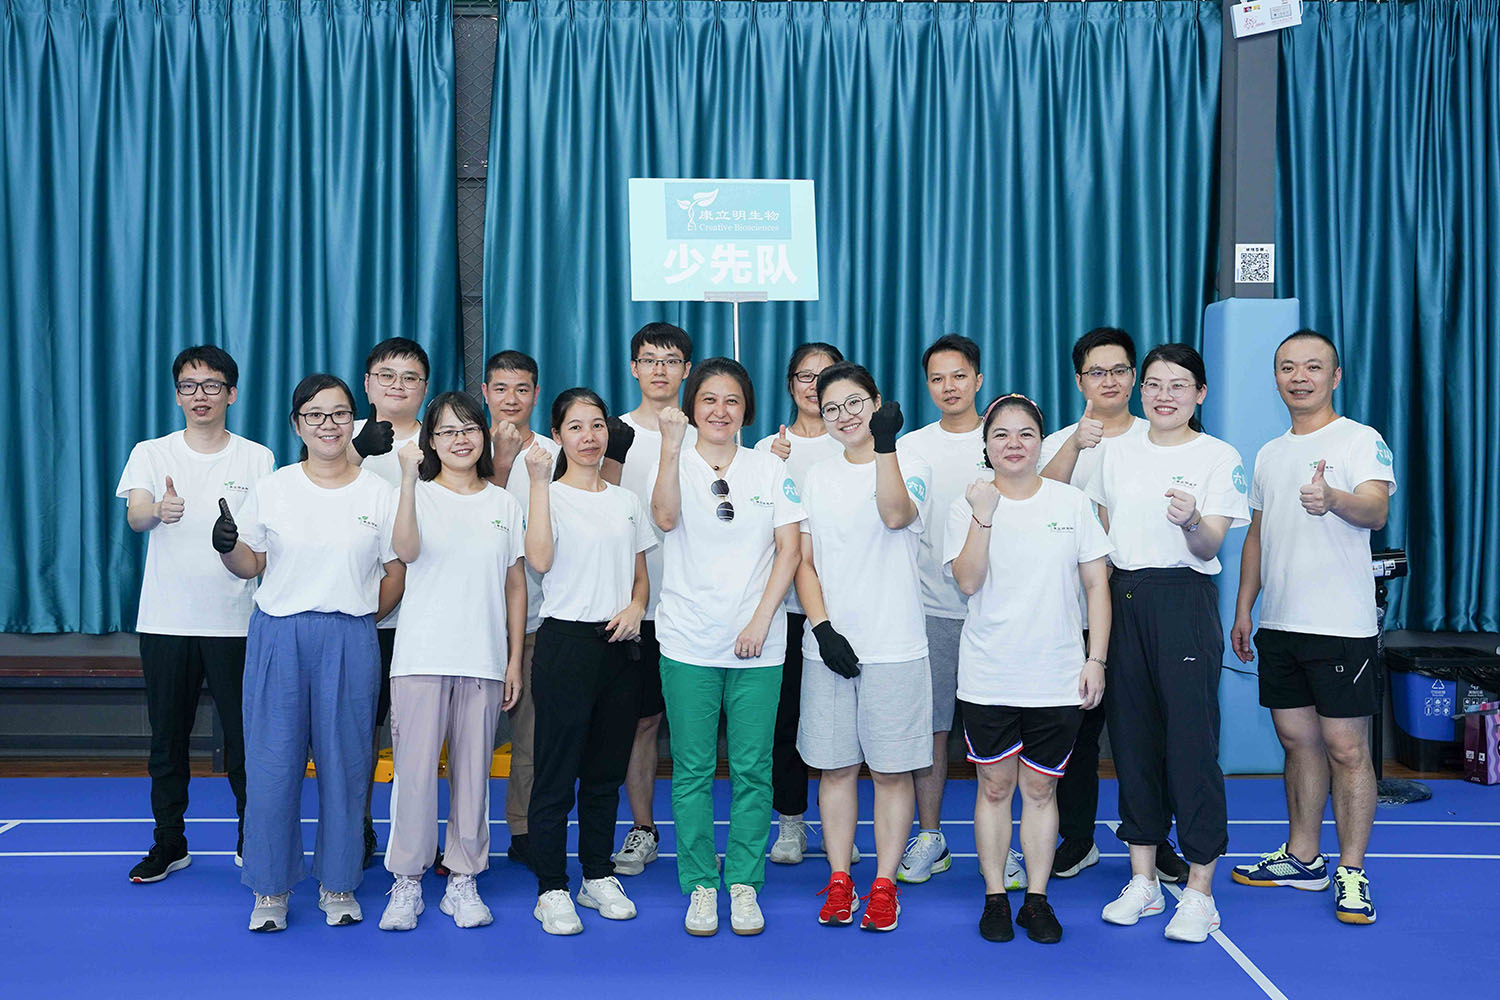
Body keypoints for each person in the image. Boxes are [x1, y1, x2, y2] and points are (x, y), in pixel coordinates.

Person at [215, 374, 403, 932]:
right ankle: (270, 888)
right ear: (297, 424)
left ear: (354, 421)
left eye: (340, 414)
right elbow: (251, 564)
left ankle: (339, 882)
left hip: (350, 637)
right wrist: (227, 548)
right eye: (315, 415)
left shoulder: (379, 493)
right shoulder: (273, 488)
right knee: (272, 765)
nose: (328, 425)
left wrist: (361, 618)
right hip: (279, 636)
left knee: (347, 765)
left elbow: (395, 571)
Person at [1084, 344, 1250, 943]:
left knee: (1190, 744)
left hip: (1183, 598)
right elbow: (1103, 532)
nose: (1164, 395)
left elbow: (1210, 546)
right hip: (1123, 597)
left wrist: (1191, 521)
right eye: (1153, 383)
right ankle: (1145, 880)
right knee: (1132, 743)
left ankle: (1201, 890)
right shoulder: (1115, 451)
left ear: (1199, 393)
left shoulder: (1218, 456)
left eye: (1178, 384)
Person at [1230, 329, 1395, 926]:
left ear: (1335, 375)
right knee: (1297, 742)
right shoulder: (1269, 453)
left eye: (1313, 367)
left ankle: (1352, 870)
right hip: (1280, 625)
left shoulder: (1359, 439)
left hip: (1340, 626)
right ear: (1276, 377)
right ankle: (1303, 857)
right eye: (1287, 367)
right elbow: (1257, 535)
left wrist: (1333, 499)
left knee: (1347, 749)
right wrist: (1245, 608)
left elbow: (1376, 509)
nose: (1299, 377)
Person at [946, 394, 1112, 944]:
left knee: (1041, 791)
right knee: (994, 788)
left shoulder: (1071, 503)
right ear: (986, 445)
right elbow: (968, 581)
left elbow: (1097, 584)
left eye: (1026, 434)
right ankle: (995, 896)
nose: (1013, 444)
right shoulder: (969, 503)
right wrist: (984, 515)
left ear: (1041, 442)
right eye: (1001, 434)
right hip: (989, 674)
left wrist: (1096, 659)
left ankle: (1037, 899)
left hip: (1056, 675)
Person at [652, 358, 805, 937]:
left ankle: (743, 881)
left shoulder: (770, 468)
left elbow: (789, 550)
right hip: (688, 642)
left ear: (747, 410)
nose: (720, 410)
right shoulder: (675, 459)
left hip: (758, 647)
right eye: (709, 399)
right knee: (691, 771)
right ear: (692, 406)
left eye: (732, 400)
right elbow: (665, 517)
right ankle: (699, 884)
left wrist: (760, 622)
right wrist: (671, 449)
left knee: (752, 770)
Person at [116, 345, 275, 882]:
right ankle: (169, 842)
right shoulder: (151, 452)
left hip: (238, 623)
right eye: (188, 385)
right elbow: (136, 514)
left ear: (232, 393)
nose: (199, 395)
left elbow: (261, 542)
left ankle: (252, 837)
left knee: (245, 742)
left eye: (211, 385)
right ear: (178, 394)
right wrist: (158, 510)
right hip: (166, 622)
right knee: (167, 740)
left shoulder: (257, 458)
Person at [1038, 328, 1188, 884]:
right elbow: (1031, 503)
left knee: (1149, 733)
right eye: (1097, 372)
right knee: (1077, 734)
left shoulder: (1163, 434)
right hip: (1071, 615)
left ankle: (1155, 838)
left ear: (1135, 378)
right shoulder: (1056, 441)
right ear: (1080, 381)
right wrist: (1075, 446)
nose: (1110, 381)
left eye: (1120, 370)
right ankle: (1077, 839)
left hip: (1146, 608)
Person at [378, 392, 526, 931]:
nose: (460, 440)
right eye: (446, 431)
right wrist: (409, 480)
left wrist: (513, 659)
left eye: (469, 429)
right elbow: (406, 551)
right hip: (420, 656)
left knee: (472, 777)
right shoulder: (412, 494)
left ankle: (463, 878)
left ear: (483, 436)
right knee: (414, 777)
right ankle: (407, 881)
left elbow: (515, 585)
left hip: (482, 658)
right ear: (430, 442)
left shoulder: (504, 504)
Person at [795, 361, 933, 933]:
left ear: (876, 403)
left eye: (855, 402)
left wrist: (885, 446)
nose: (845, 415)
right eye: (832, 408)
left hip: (895, 645)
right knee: (835, 770)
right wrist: (822, 628)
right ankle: (839, 880)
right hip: (830, 649)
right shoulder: (816, 477)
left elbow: (896, 515)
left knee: (892, 773)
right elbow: (803, 561)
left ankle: (884, 884)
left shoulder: (910, 462)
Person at [525, 388, 655, 935]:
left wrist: (637, 607)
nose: (589, 437)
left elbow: (640, 576)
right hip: (565, 645)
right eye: (575, 427)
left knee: (604, 773)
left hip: (620, 645)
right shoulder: (548, 495)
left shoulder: (626, 501)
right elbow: (539, 559)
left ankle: (596, 874)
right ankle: (551, 887)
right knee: (556, 774)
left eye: (597, 425)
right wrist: (537, 483)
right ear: (557, 436)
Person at [894, 334, 994, 886]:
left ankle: (1000, 841)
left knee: (997, 734)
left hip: (997, 615)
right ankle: (930, 836)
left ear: (977, 379)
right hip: (930, 610)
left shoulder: (1006, 436)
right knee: (931, 731)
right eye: (937, 378)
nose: (949, 387)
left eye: (959, 376)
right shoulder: (912, 447)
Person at [601, 322, 695, 876]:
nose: (660, 369)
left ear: (687, 370)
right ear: (634, 368)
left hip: (695, 606)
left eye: (671, 360)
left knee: (695, 729)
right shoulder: (610, 433)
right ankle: (642, 828)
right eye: (650, 359)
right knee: (640, 724)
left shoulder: (707, 431)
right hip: (635, 608)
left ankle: (703, 831)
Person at [753, 341, 849, 866]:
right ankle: (790, 821)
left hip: (845, 607)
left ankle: (840, 823)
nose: (815, 385)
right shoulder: (769, 448)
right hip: (785, 610)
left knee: (842, 722)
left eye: (826, 375)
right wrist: (771, 468)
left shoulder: (855, 443)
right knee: (785, 721)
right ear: (790, 385)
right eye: (805, 376)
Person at [348, 337, 432, 865]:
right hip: (359, 616)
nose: (397, 385)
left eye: (410, 377)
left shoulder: (442, 437)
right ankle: (356, 826)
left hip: (425, 617)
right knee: (360, 732)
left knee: (420, 738)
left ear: (425, 388)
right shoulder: (341, 433)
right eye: (387, 375)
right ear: (367, 383)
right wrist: (358, 450)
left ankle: (416, 833)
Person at [480, 350, 561, 871]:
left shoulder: (556, 453)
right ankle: (459, 836)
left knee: (531, 738)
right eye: (501, 388)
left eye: (523, 389)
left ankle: (523, 829)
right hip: (471, 621)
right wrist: (502, 461)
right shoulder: (461, 444)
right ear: (485, 392)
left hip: (535, 620)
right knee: (465, 740)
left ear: (535, 393)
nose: (512, 399)